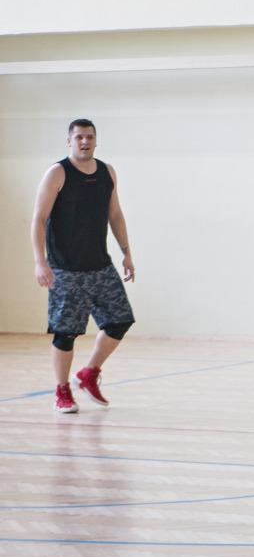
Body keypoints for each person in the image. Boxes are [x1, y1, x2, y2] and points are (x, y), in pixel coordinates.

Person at [30, 119, 136, 414]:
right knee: (66, 332)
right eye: (79, 137)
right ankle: (62, 390)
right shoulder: (58, 173)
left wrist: (126, 252)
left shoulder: (106, 172)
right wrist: (41, 261)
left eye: (89, 137)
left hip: (100, 265)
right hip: (66, 269)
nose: (84, 142)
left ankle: (89, 373)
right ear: (69, 141)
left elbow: (115, 214)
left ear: (95, 140)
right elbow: (38, 219)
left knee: (119, 321)